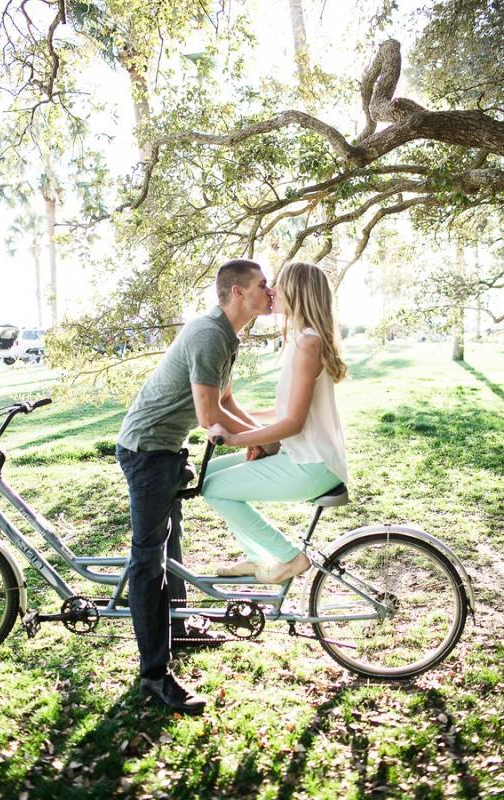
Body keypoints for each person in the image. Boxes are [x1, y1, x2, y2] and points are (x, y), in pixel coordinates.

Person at [116, 259, 274, 714]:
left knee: (171, 542)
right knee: (148, 560)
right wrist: (258, 440)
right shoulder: (209, 333)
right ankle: (154, 675)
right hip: (147, 450)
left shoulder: (227, 334)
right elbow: (209, 418)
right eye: (264, 285)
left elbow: (225, 399)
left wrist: (262, 437)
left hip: (166, 449)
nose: (271, 292)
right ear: (239, 292)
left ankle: (179, 627)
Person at [204, 261, 348, 584]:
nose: (271, 291)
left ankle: (288, 557)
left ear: (296, 293)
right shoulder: (302, 339)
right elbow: (284, 413)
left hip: (313, 464)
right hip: (304, 458)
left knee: (213, 488)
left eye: (278, 285)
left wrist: (236, 438)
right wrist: (246, 425)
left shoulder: (308, 344)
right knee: (207, 476)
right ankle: (258, 556)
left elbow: (293, 424)